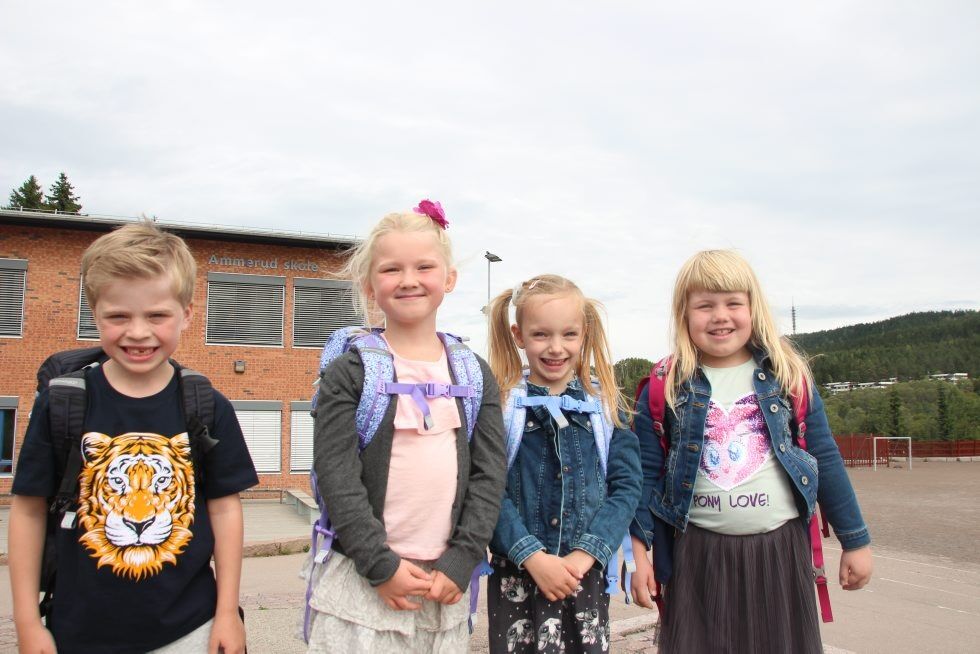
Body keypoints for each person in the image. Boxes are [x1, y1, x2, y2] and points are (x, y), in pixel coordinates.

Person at [9, 220, 258, 654]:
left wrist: (226, 613)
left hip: (190, 628)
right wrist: (28, 623)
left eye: (157, 315)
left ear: (187, 314)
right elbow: (28, 511)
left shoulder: (207, 405)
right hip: (77, 631)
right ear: (95, 316)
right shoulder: (63, 404)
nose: (138, 332)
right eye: (118, 316)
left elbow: (225, 510)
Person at [629, 249, 873, 653]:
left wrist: (856, 541)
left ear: (753, 308)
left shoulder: (787, 375)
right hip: (696, 555)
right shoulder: (666, 383)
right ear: (684, 315)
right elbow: (643, 472)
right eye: (705, 305)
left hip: (780, 552)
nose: (720, 315)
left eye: (733, 303)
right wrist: (639, 556)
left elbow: (825, 457)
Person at [305, 201, 507, 653]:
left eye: (424, 266)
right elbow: (337, 474)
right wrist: (380, 566)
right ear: (369, 285)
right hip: (363, 582)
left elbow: (490, 475)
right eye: (392, 269)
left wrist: (463, 559)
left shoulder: (474, 374)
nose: (409, 279)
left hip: (443, 587)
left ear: (449, 278)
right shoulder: (349, 372)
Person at [485, 274, 641, 654]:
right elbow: (486, 489)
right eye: (541, 335)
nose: (556, 348)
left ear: (584, 332)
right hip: (518, 577)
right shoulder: (501, 407)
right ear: (519, 335)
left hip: (582, 576)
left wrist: (585, 554)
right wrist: (532, 556)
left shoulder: (606, 406)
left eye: (568, 334)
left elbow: (627, 487)